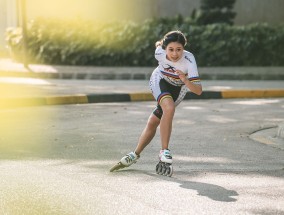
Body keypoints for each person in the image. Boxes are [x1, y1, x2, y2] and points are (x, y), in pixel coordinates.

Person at [110, 30, 202, 176]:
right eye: (170, 49)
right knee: (169, 108)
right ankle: (164, 151)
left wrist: (185, 79)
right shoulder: (159, 52)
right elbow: (159, 46)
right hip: (159, 80)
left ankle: (135, 154)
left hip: (178, 88)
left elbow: (198, 90)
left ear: (184, 48)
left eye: (179, 49)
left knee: (154, 120)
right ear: (165, 48)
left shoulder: (189, 60)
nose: (174, 54)